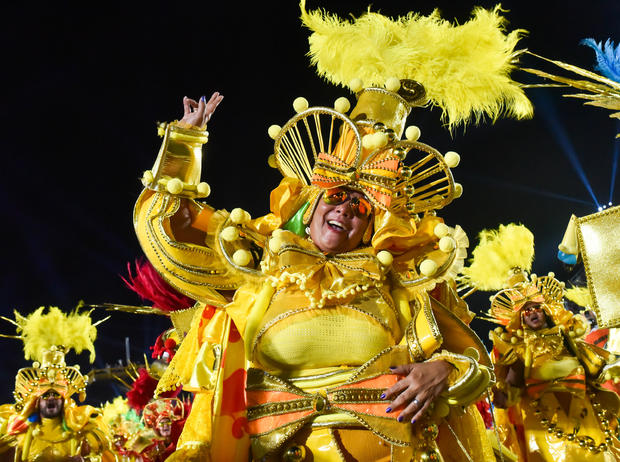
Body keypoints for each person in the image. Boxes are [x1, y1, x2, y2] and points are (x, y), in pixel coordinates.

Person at [488, 276, 620, 461]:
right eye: (526, 311)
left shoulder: (566, 336)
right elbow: (511, 391)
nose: (533, 312)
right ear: (520, 319)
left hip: (582, 408)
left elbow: (591, 369)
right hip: (544, 419)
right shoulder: (518, 350)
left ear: (546, 311)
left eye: (537, 308)